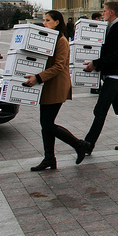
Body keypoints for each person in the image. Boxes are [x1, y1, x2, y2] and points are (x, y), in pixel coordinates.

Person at [24, 10, 90, 171]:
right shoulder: (49, 39)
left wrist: (38, 77)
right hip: (47, 85)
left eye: (47, 20)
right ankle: (49, 159)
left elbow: (59, 66)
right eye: (44, 20)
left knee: (47, 123)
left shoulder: (61, 41)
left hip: (56, 86)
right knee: (45, 123)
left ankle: (79, 144)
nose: (44, 23)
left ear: (57, 22)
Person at [83, 1, 118, 152]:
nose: (102, 13)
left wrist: (96, 63)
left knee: (100, 110)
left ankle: (87, 144)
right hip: (112, 74)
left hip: (115, 75)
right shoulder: (111, 28)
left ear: (112, 13)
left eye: (104, 11)